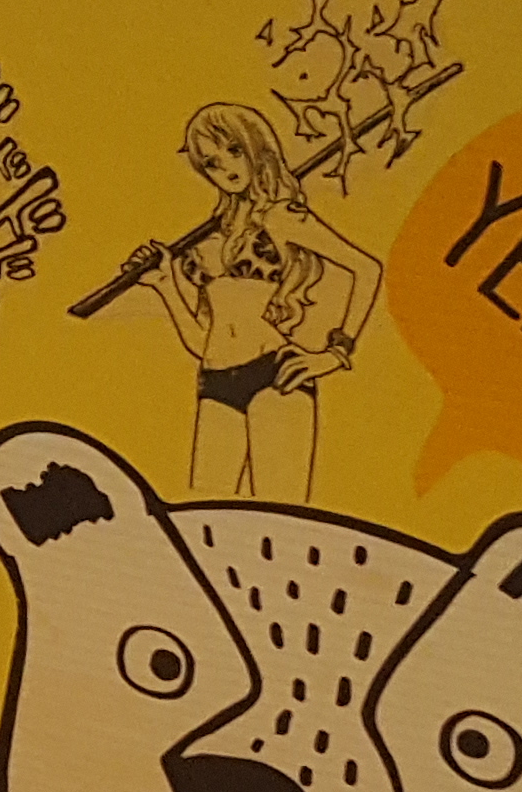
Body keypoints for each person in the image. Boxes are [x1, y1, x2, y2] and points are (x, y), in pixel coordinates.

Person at [129, 99, 380, 498]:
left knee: (280, 518)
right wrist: (165, 285)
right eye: (212, 162)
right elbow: (202, 341)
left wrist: (334, 354)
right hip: (215, 382)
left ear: (256, 148)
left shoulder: (281, 216)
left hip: (274, 376)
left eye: (234, 150)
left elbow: (366, 269)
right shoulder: (210, 239)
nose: (227, 167)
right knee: (204, 516)